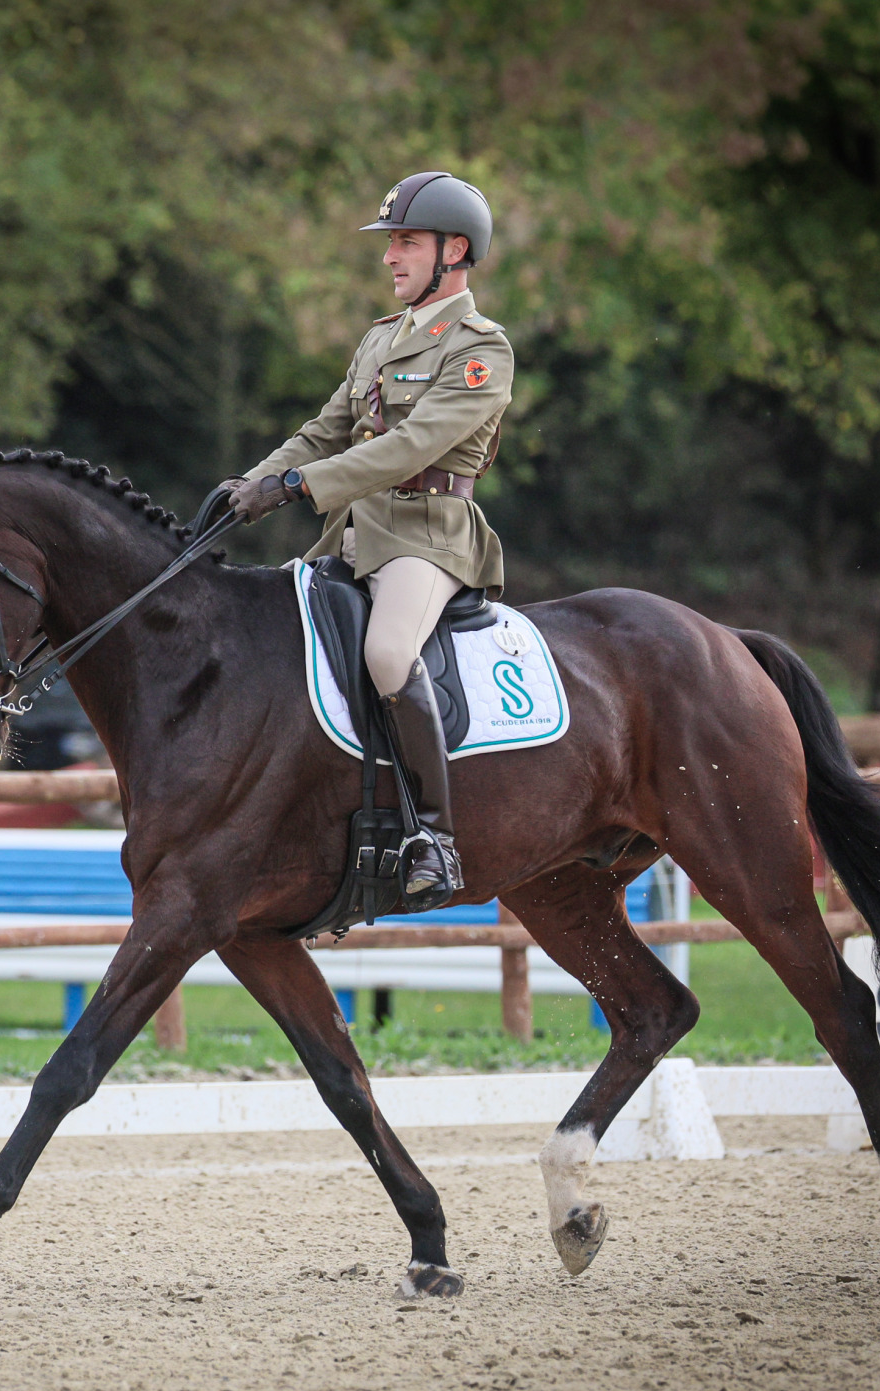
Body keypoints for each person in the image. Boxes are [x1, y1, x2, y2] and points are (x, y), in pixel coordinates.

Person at [221, 171, 512, 907]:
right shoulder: (380, 340)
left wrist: (300, 488)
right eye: (392, 244)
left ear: (456, 251)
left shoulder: (480, 349)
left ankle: (435, 840)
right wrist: (247, 488)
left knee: (387, 652)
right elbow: (324, 431)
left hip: (431, 536)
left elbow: (412, 446)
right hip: (353, 533)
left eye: (406, 243)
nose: (390, 257)